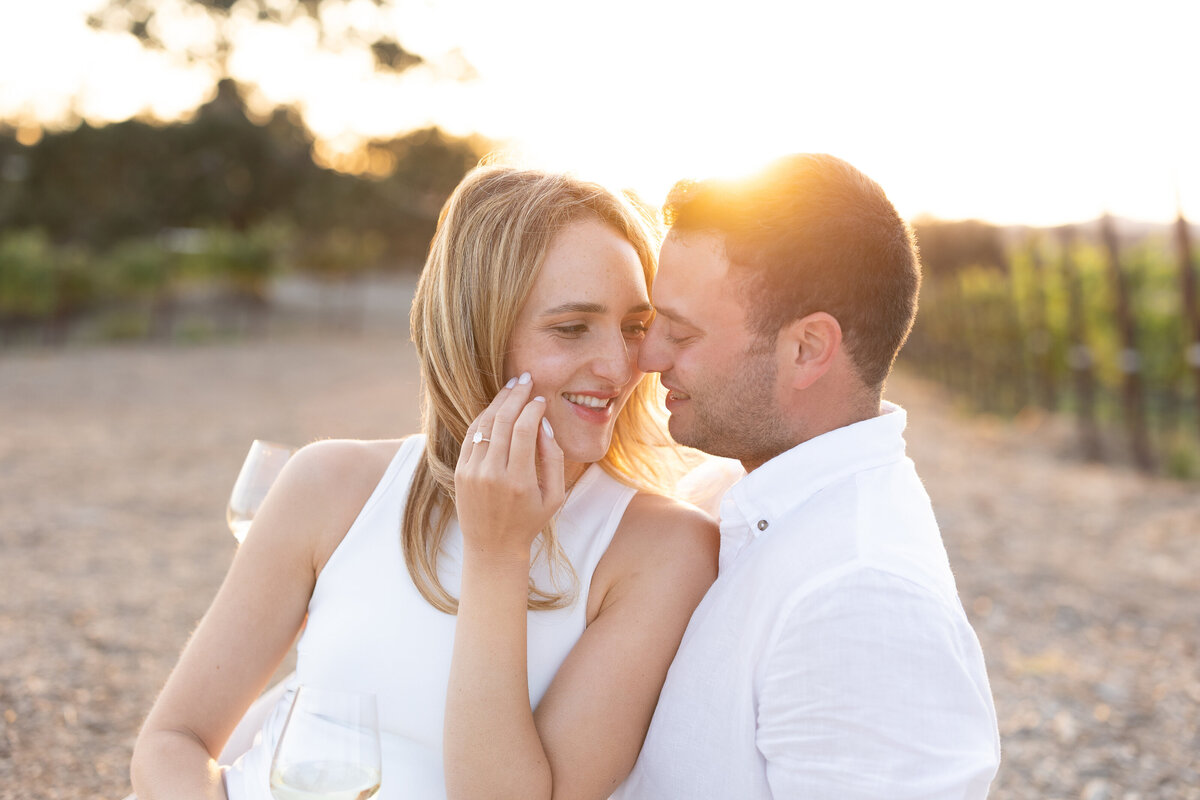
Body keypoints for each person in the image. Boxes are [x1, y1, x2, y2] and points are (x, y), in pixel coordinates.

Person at [130, 165, 719, 800]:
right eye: (572, 327)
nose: (617, 365)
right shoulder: (330, 484)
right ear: (475, 332)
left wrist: (497, 555)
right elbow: (174, 740)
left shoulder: (664, 550)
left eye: (634, 326)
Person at [614, 154, 1001, 799]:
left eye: (679, 333)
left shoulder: (861, 596)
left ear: (808, 349)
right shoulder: (733, 493)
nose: (648, 356)